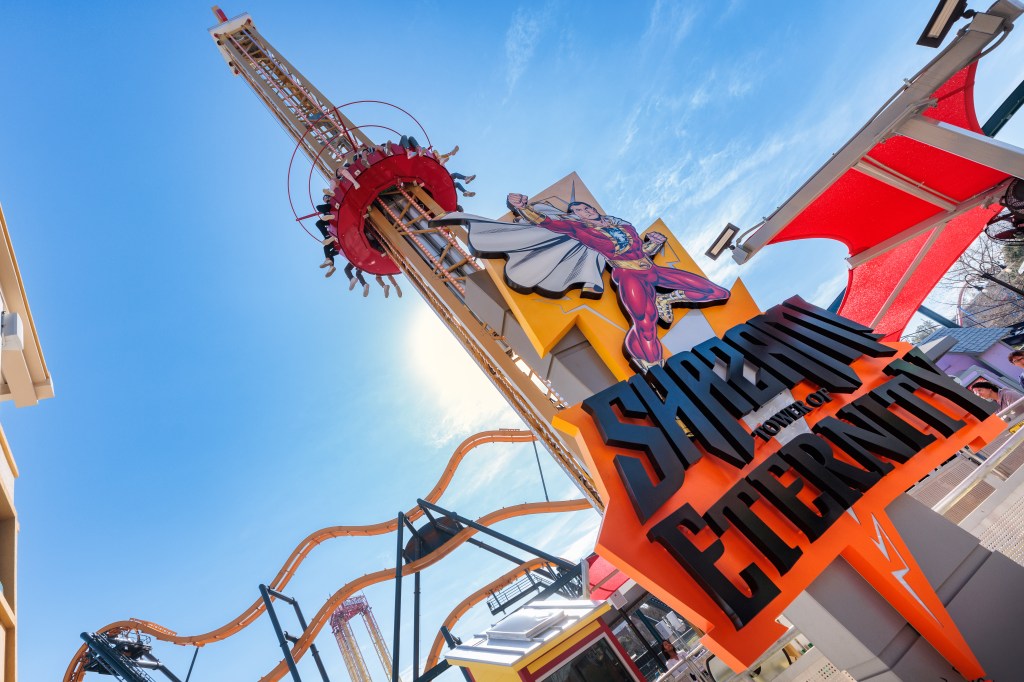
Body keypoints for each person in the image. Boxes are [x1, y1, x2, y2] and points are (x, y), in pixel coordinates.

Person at [452, 192, 729, 372]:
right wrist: (522, 208)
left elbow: (640, 252)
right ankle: (653, 369)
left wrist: (654, 244)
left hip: (652, 271)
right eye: (580, 210)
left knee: (713, 290)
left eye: (586, 207)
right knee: (644, 323)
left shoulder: (623, 225)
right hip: (628, 276)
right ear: (576, 217)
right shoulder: (577, 228)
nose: (585, 211)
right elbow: (547, 222)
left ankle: (667, 297)